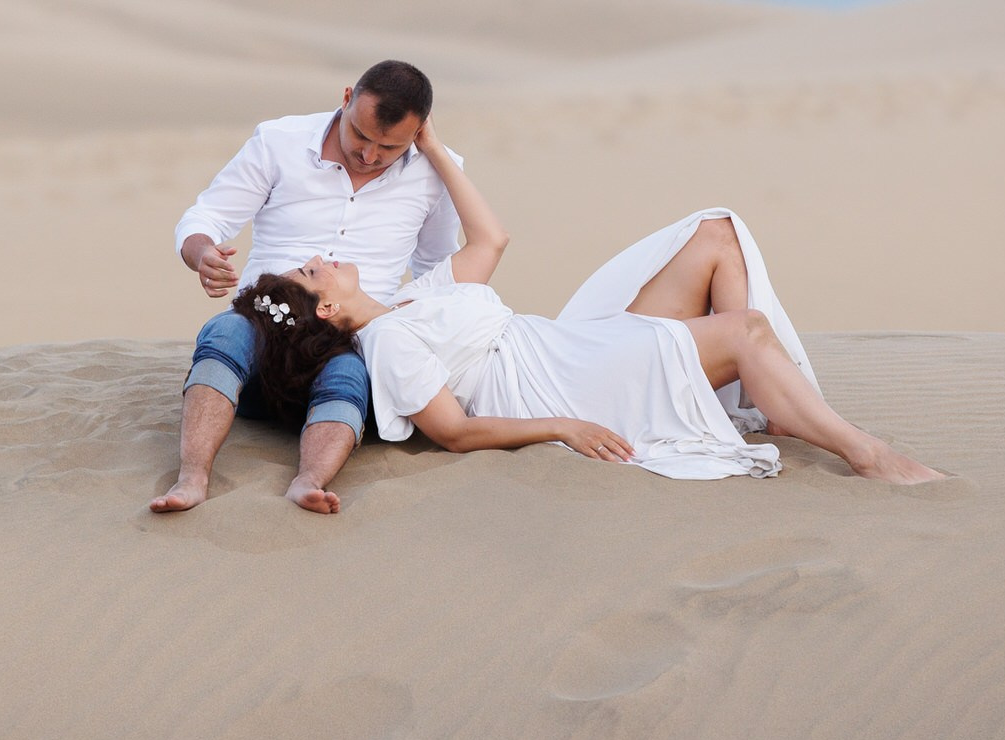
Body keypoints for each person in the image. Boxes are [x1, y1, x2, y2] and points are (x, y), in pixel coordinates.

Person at [234, 121, 944, 489]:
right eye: (309, 271)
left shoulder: (411, 300)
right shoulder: (386, 346)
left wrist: (433, 147)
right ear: (326, 312)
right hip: (565, 383)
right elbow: (454, 433)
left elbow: (493, 238)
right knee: (745, 330)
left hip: (569, 345)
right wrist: (565, 426)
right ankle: (866, 453)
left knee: (715, 234)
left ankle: (763, 405)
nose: (321, 255)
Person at [152, 60, 463, 516]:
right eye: (361, 135)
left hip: (352, 338)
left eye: (390, 147)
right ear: (345, 99)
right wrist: (202, 255)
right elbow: (206, 217)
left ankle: (309, 481)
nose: (370, 155)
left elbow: (435, 268)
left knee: (350, 373)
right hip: (264, 328)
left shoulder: (438, 171)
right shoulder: (280, 141)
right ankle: (192, 477)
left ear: (418, 134)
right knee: (226, 332)